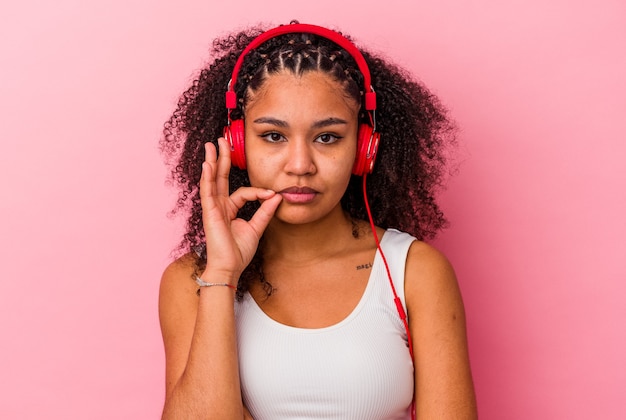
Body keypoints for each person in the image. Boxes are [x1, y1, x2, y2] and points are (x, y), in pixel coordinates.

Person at [158, 21, 477, 419]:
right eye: (273, 136)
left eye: (327, 137)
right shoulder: (193, 280)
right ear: (237, 146)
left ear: (364, 148)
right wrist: (222, 274)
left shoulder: (415, 271)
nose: (300, 166)